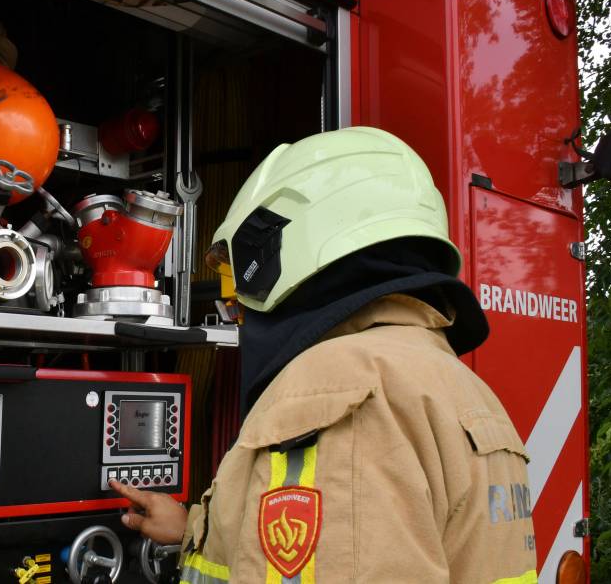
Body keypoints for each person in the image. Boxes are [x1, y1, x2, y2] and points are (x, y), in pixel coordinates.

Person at [109, 127, 537, 583]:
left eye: (238, 282)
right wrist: (194, 529)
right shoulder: (456, 385)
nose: (235, 307)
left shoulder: (338, 392)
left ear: (279, 244)